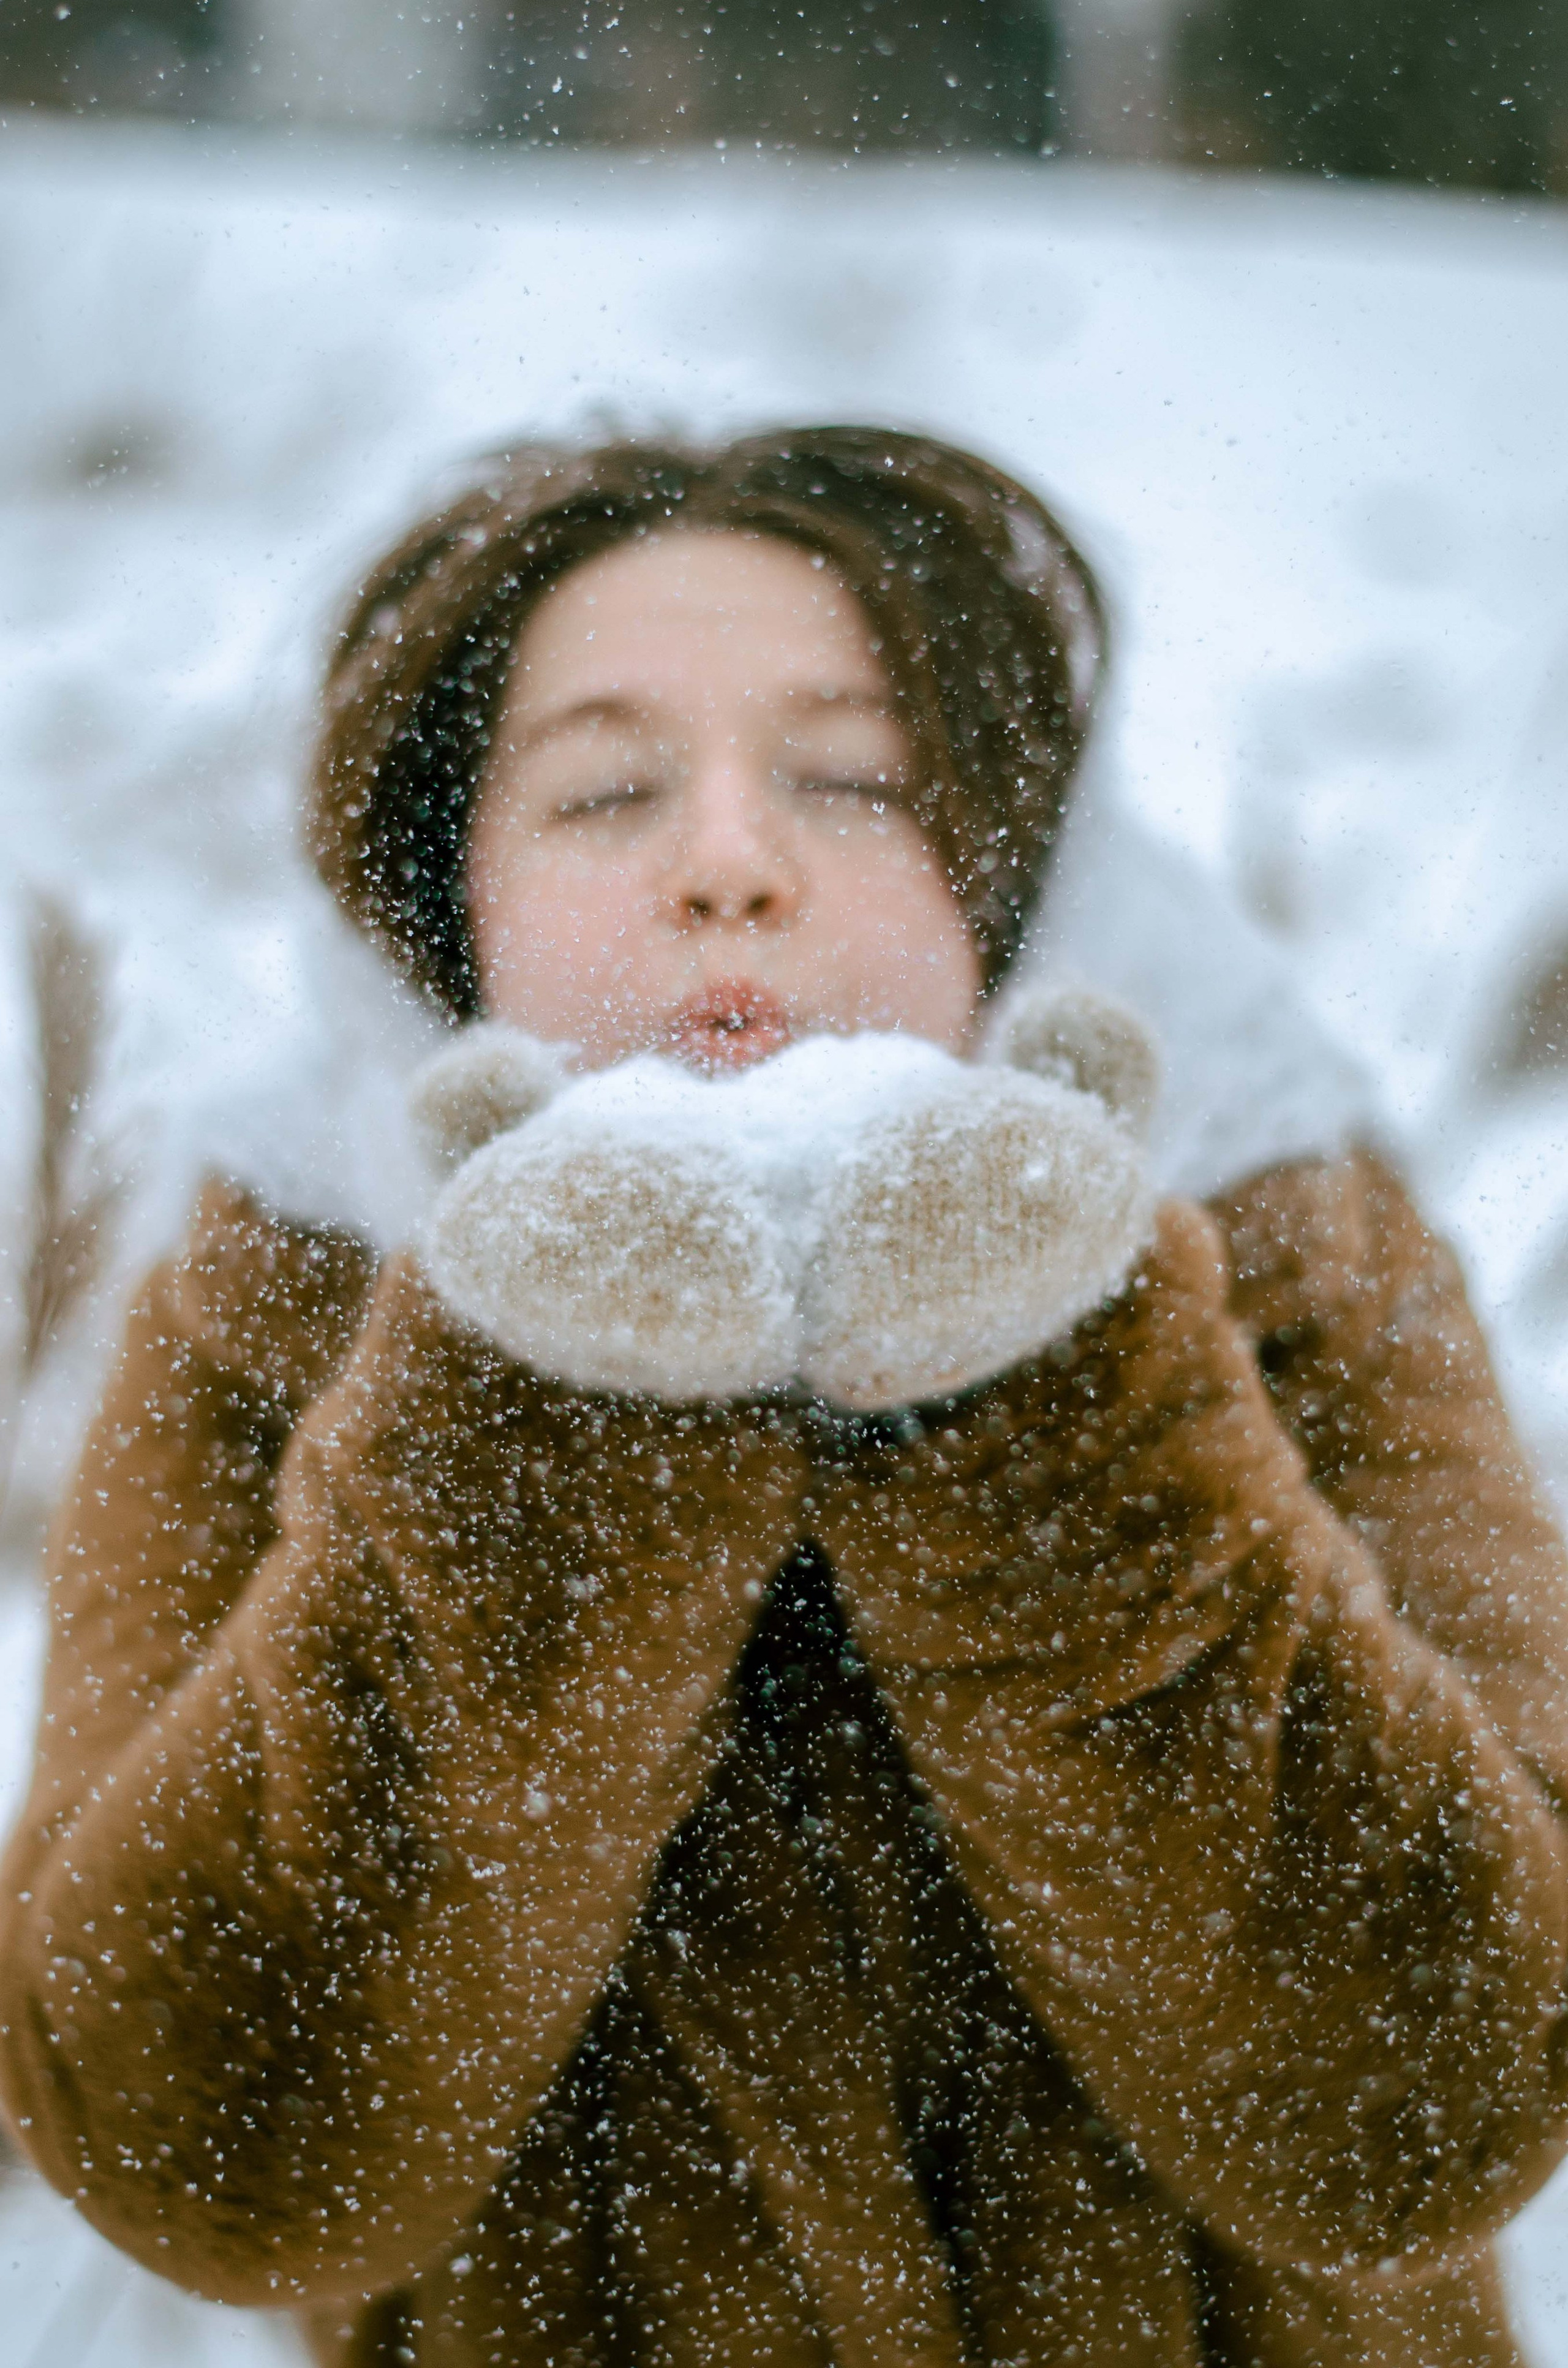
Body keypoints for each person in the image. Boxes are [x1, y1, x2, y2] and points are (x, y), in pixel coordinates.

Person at [1, 426, 1566, 2368]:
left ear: (1011, 877)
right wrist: (538, 1407)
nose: (732, 863)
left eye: (853, 778)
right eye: (607, 789)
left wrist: (1045, 1383)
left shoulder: (1290, 1248)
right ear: (446, 900)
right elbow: (213, 2148)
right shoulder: (278, 1305)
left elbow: (1438, 2098)